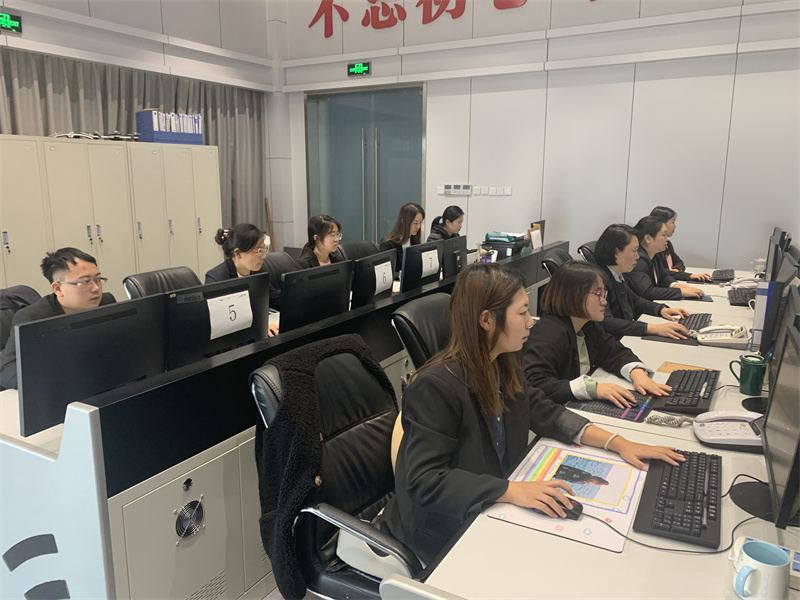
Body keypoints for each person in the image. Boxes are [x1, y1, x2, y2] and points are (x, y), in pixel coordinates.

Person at [377, 262, 683, 565]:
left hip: (492, 506)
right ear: (487, 320)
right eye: (522, 313)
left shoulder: (502, 362)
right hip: (444, 529)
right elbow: (425, 481)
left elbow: (543, 411)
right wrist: (510, 490)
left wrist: (617, 442)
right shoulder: (435, 386)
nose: (530, 322)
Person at [523, 261, 671, 409]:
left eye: (605, 294)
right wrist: (594, 389)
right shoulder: (549, 333)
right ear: (574, 295)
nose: (604, 301)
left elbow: (613, 351)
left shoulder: (586, 325)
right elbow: (534, 382)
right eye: (599, 294)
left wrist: (637, 374)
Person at [0, 248, 116, 390]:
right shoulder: (34, 318)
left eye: (98, 279)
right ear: (58, 289)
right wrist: (50, 382)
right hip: (61, 389)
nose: (96, 288)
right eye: (85, 282)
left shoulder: (106, 303)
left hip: (101, 382)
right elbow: (6, 369)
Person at [595, 224, 690, 340]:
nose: (637, 256)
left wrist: (660, 309)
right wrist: (652, 328)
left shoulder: (618, 274)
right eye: (634, 250)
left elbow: (635, 300)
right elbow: (606, 321)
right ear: (616, 253)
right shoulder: (597, 281)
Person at [205, 223, 280, 337]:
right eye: (258, 250)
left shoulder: (257, 272)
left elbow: (275, 299)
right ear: (238, 254)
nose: (264, 256)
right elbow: (221, 323)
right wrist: (259, 326)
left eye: (264, 248)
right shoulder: (217, 279)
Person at [627, 216, 704, 301]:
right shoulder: (638, 260)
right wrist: (680, 292)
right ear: (648, 238)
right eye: (664, 235)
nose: (667, 239)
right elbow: (647, 292)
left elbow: (663, 276)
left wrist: (675, 285)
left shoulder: (655, 254)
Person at [650, 206, 710, 282]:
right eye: (673, 222)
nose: (675, 226)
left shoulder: (668, 244)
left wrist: (677, 269)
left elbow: (679, 262)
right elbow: (660, 271)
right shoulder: (653, 247)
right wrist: (689, 276)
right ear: (662, 223)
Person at [379, 203, 425, 272]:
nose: (418, 227)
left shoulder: (414, 241)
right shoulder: (388, 246)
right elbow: (385, 273)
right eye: (415, 223)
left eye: (420, 222)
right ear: (403, 221)